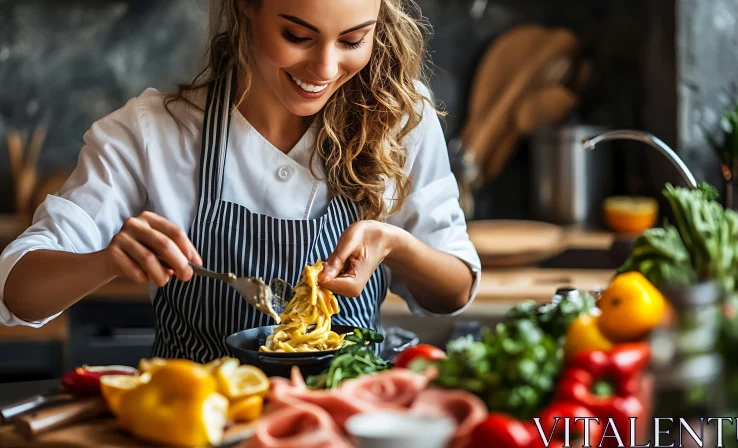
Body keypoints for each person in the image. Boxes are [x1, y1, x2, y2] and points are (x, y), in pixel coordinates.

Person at [0, 0, 480, 362]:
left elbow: (454, 290)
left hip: (343, 423)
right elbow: (17, 291)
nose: (325, 69)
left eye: (353, 40)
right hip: (197, 425)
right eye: (297, 35)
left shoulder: (399, 117)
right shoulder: (151, 132)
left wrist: (393, 243)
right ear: (246, 5)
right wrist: (106, 260)